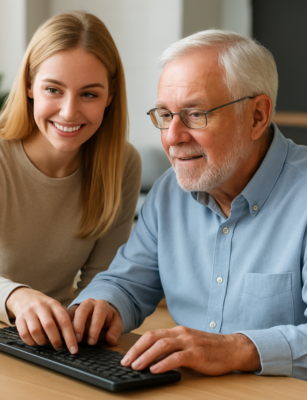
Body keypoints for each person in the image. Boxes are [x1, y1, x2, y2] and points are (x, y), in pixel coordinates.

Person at [63, 30, 307, 380]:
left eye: (195, 114)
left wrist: (237, 348)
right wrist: (102, 306)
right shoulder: (168, 194)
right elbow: (127, 283)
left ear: (257, 116)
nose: (172, 137)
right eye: (165, 115)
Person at [0, 11, 141, 354]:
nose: (69, 112)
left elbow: (101, 277)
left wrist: (95, 311)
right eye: (53, 89)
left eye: (89, 94)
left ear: (110, 95)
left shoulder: (122, 165)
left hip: (54, 343)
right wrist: (17, 297)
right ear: (29, 85)